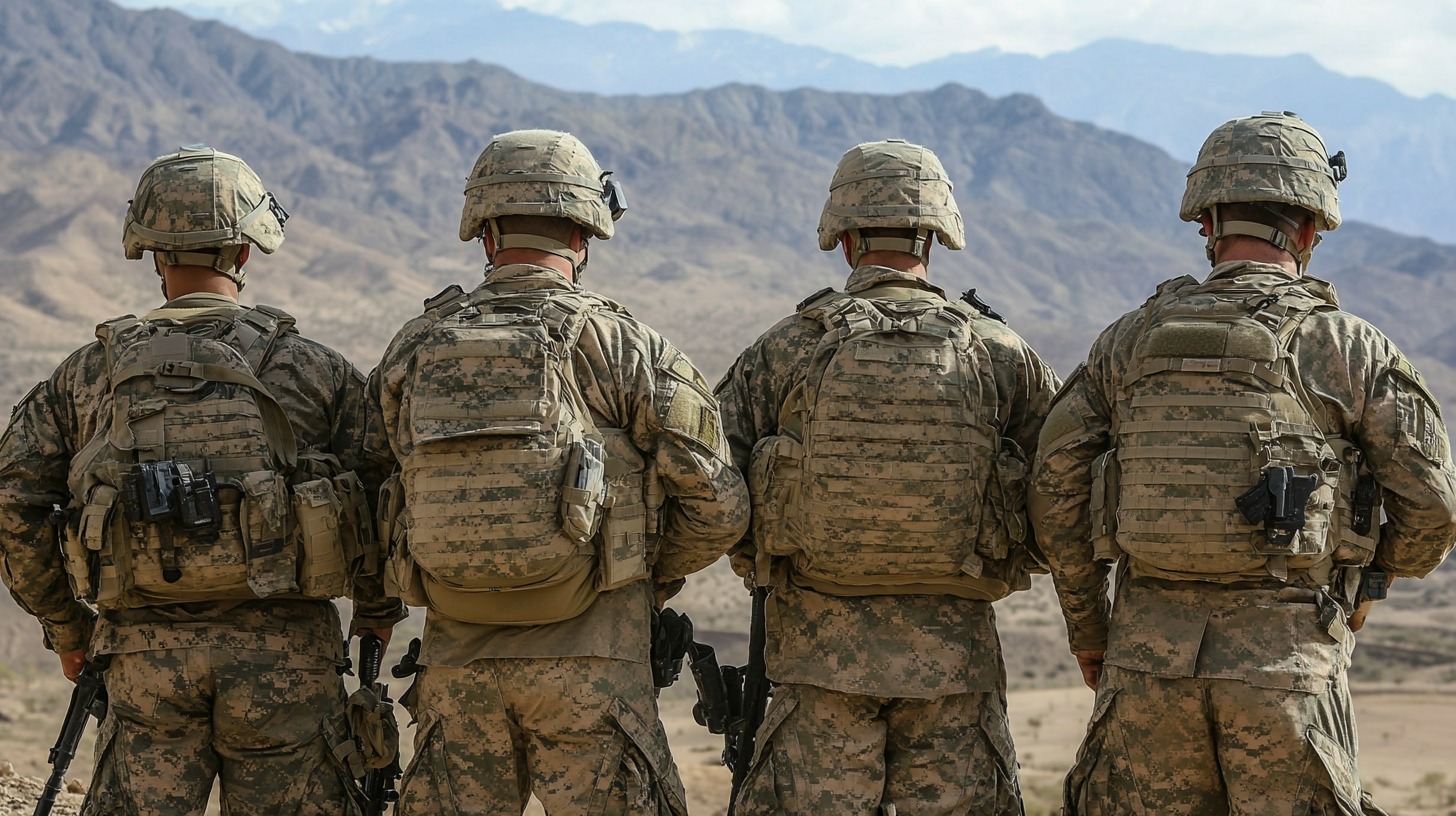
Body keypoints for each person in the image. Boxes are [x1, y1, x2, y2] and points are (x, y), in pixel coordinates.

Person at [1030, 111, 1456, 815]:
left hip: (1144, 669)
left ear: (1208, 222)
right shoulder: (1346, 346)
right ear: (1311, 229)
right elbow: (1434, 506)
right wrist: (1367, 587)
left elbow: (1055, 486)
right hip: (1285, 671)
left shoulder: (1129, 342)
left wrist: (1091, 628)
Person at [0, 145, 404, 815]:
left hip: (142, 658)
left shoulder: (88, 374)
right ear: (245, 253)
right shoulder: (313, 369)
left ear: (154, 253)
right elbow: (384, 493)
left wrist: (68, 629)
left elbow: (14, 498)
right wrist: (375, 614)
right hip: (289, 660)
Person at [370, 128, 748, 815]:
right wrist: (636, 574)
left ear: (484, 233)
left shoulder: (417, 346)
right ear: (584, 234)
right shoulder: (625, 344)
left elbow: (380, 489)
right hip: (594, 664)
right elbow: (719, 504)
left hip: (458, 673)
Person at [714, 139, 1059, 815]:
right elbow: (1063, 485)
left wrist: (760, 557)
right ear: (935, 238)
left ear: (843, 240)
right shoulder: (998, 352)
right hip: (956, 662)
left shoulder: (788, 347)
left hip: (815, 663)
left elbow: (712, 483)